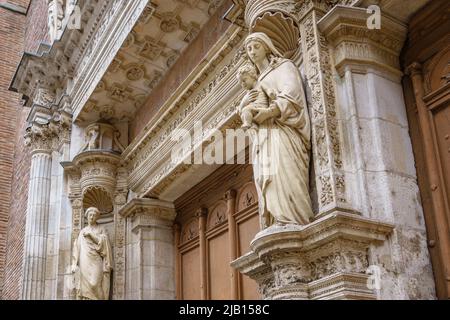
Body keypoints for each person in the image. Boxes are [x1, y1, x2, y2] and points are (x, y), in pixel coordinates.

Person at [243, 32, 314, 228]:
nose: (252, 51)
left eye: (256, 46)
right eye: (249, 48)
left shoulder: (284, 67)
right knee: (269, 177)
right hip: (265, 136)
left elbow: (292, 94)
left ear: (267, 46)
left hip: (285, 132)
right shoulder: (254, 83)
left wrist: (271, 111)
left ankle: (295, 219)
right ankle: (277, 219)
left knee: (286, 172)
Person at [71, 207, 113, 300]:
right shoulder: (82, 231)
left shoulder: (101, 229)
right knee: (84, 285)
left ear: (97, 217)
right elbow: (77, 248)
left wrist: (91, 235)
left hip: (96, 260)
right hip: (84, 260)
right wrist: (74, 264)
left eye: (94, 215)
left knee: (95, 283)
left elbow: (104, 244)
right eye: (90, 215)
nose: (91, 217)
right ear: (87, 216)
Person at [237, 64, 270, 129]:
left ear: (253, 76)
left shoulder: (260, 84)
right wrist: (243, 102)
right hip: (254, 110)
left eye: (244, 80)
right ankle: (248, 124)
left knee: (246, 109)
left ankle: (248, 123)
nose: (243, 84)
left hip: (263, 107)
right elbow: (240, 111)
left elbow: (268, 90)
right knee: (245, 111)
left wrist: (271, 93)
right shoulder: (248, 94)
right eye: (240, 83)